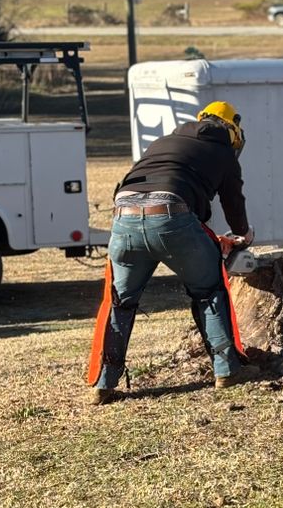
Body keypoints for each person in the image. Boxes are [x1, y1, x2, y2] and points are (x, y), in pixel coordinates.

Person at [88, 101, 256, 404]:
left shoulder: (164, 142)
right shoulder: (223, 153)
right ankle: (226, 370)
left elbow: (144, 185)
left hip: (123, 218)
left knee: (120, 303)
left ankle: (104, 383)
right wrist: (243, 234)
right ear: (232, 131)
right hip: (173, 218)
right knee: (208, 290)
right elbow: (233, 202)